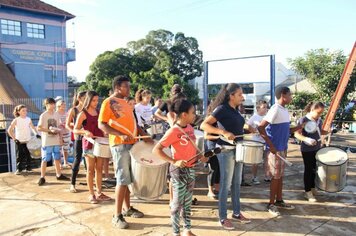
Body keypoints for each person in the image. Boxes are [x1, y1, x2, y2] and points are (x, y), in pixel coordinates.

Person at [98, 75, 152, 229]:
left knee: (128, 179)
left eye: (129, 86)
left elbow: (134, 123)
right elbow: (102, 125)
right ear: (117, 87)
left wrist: (145, 136)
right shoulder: (108, 102)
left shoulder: (127, 104)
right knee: (122, 179)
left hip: (132, 144)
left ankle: (127, 209)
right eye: (126, 86)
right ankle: (117, 215)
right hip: (119, 145)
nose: (129, 89)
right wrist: (119, 134)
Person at [153, 99, 208, 236]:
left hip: (190, 169)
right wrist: (173, 161)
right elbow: (156, 149)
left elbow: (192, 149)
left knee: (188, 202)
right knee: (177, 204)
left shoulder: (189, 128)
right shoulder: (173, 131)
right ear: (184, 114)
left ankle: (187, 230)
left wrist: (200, 157)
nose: (194, 115)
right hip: (178, 171)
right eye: (192, 113)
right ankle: (175, 233)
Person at [200, 83, 251, 230]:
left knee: (236, 183)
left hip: (238, 149)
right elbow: (204, 125)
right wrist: (223, 133)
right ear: (231, 96)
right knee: (225, 185)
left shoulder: (235, 110)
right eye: (240, 94)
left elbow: (236, 127)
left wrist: (248, 129)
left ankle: (236, 212)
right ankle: (222, 217)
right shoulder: (221, 109)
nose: (243, 96)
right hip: (226, 150)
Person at [258, 87, 305, 216]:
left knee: (280, 176)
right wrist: (271, 146)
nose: (291, 97)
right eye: (290, 95)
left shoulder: (284, 110)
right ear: (283, 95)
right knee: (275, 177)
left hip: (282, 148)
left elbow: (287, 131)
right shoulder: (275, 109)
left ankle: (279, 200)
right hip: (275, 150)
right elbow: (261, 127)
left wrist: (299, 127)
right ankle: (271, 204)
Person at [74, 91, 111, 204]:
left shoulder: (99, 112)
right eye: (94, 100)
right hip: (89, 144)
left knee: (99, 168)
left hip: (99, 143)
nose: (96, 103)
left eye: (97, 100)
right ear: (88, 100)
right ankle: (91, 194)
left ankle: (99, 192)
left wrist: (106, 133)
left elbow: (102, 127)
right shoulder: (82, 114)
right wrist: (84, 131)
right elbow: (75, 129)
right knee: (90, 170)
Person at [294, 102, 329, 202]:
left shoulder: (319, 120)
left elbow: (320, 131)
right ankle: (307, 192)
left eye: (321, 113)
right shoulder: (303, 119)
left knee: (315, 169)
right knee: (308, 170)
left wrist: (327, 132)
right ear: (312, 110)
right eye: (318, 113)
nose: (319, 115)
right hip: (307, 149)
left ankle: (313, 188)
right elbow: (297, 134)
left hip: (316, 148)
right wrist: (306, 139)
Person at [37, 98, 69, 186]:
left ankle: (59, 174)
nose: (52, 106)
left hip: (56, 140)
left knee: (57, 158)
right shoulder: (43, 115)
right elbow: (39, 128)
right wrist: (49, 130)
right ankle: (42, 177)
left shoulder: (56, 114)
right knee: (45, 159)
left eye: (53, 104)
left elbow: (59, 127)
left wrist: (60, 137)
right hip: (47, 141)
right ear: (46, 105)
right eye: (50, 104)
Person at [7, 104, 40, 174]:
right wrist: (14, 139)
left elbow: (32, 128)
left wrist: (36, 134)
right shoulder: (16, 120)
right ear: (18, 112)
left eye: (26, 110)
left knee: (28, 155)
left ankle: (28, 168)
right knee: (20, 156)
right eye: (23, 111)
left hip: (28, 141)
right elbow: (9, 130)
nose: (25, 112)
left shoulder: (28, 119)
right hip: (19, 141)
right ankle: (19, 169)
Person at [66, 91, 86, 193]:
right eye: (85, 98)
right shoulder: (74, 110)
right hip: (79, 138)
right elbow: (67, 124)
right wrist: (74, 130)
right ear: (80, 99)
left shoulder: (88, 109)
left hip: (89, 138)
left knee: (90, 160)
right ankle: (72, 184)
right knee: (77, 159)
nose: (87, 99)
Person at [246, 100, 269, 184]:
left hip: (266, 142)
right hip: (256, 142)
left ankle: (267, 176)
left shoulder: (267, 117)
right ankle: (254, 177)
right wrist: (254, 131)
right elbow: (247, 125)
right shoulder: (254, 117)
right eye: (264, 107)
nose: (266, 109)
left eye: (266, 107)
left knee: (267, 160)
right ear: (258, 108)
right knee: (255, 161)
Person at [204, 102, 220, 199]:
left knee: (219, 168)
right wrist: (219, 135)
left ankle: (217, 188)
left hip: (219, 146)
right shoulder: (209, 120)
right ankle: (210, 190)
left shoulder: (220, 120)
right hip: (212, 146)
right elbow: (206, 136)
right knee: (213, 169)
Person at [56, 99, 71, 168]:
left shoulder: (67, 113)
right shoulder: (55, 113)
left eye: (65, 104)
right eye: (63, 104)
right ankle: (59, 164)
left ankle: (65, 162)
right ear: (58, 106)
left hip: (66, 132)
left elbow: (69, 122)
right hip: (58, 134)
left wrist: (66, 124)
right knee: (58, 150)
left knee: (66, 148)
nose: (64, 106)